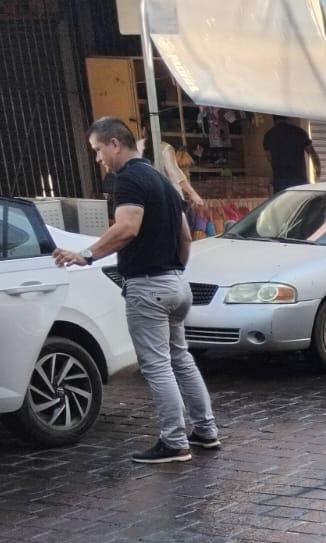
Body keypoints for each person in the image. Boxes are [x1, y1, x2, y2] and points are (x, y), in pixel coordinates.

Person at [53, 117, 218, 464]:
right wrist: (173, 271)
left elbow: (127, 228)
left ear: (115, 144)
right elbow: (185, 238)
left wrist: (85, 254)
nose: (99, 159)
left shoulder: (127, 180)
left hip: (149, 286)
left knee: (157, 366)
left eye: (98, 150)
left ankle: (174, 442)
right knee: (181, 359)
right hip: (175, 283)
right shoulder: (164, 181)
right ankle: (205, 430)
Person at [262, 115, 319, 194]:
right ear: (288, 118)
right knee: (300, 202)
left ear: (274, 119)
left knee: (283, 204)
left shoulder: (269, 135)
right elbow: (312, 152)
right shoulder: (299, 132)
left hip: (280, 179)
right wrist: (317, 168)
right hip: (299, 178)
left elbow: (269, 157)